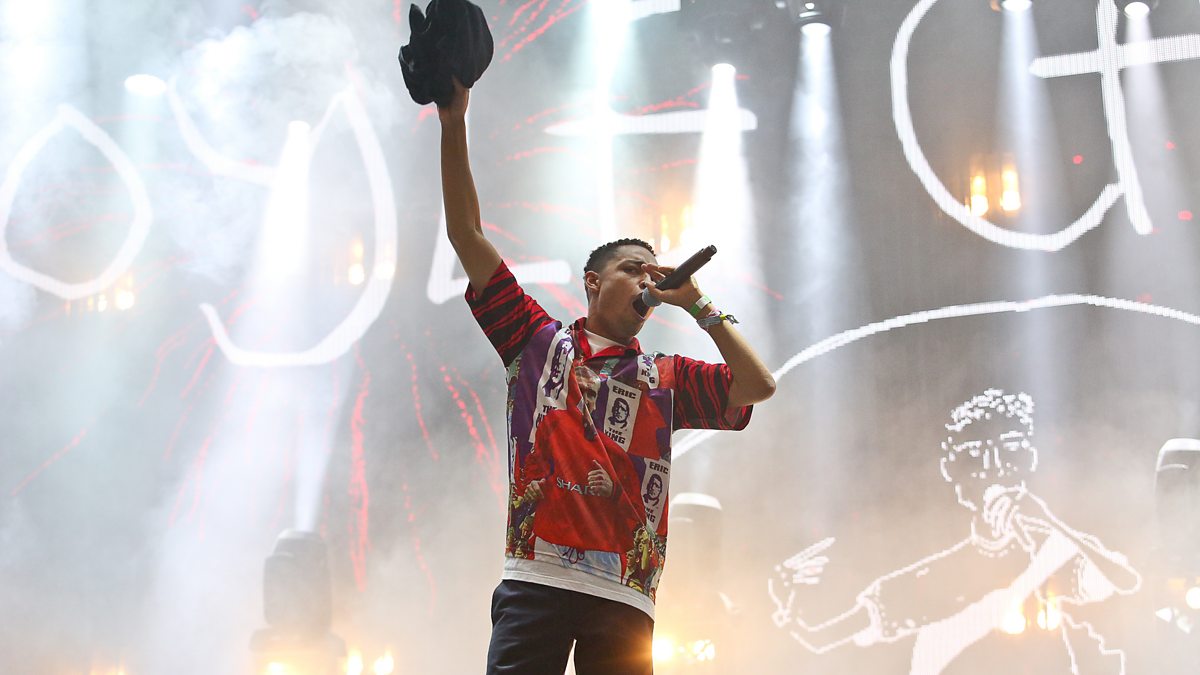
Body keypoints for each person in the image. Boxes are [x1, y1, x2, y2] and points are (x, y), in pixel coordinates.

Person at [437, 79, 776, 674]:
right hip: (536, 575)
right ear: (593, 281)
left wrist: (699, 306)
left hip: (625, 591)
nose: (647, 282)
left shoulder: (664, 376)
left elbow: (758, 386)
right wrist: (452, 121)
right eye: (632, 269)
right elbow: (466, 234)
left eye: (654, 275)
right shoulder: (535, 340)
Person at [768, 388, 1141, 674]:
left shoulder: (1051, 550)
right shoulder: (931, 577)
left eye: (1009, 450)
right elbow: (819, 638)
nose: (994, 467)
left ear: (1028, 460)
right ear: (952, 471)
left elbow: (1124, 581)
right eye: (975, 456)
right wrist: (788, 600)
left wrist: (1050, 520)